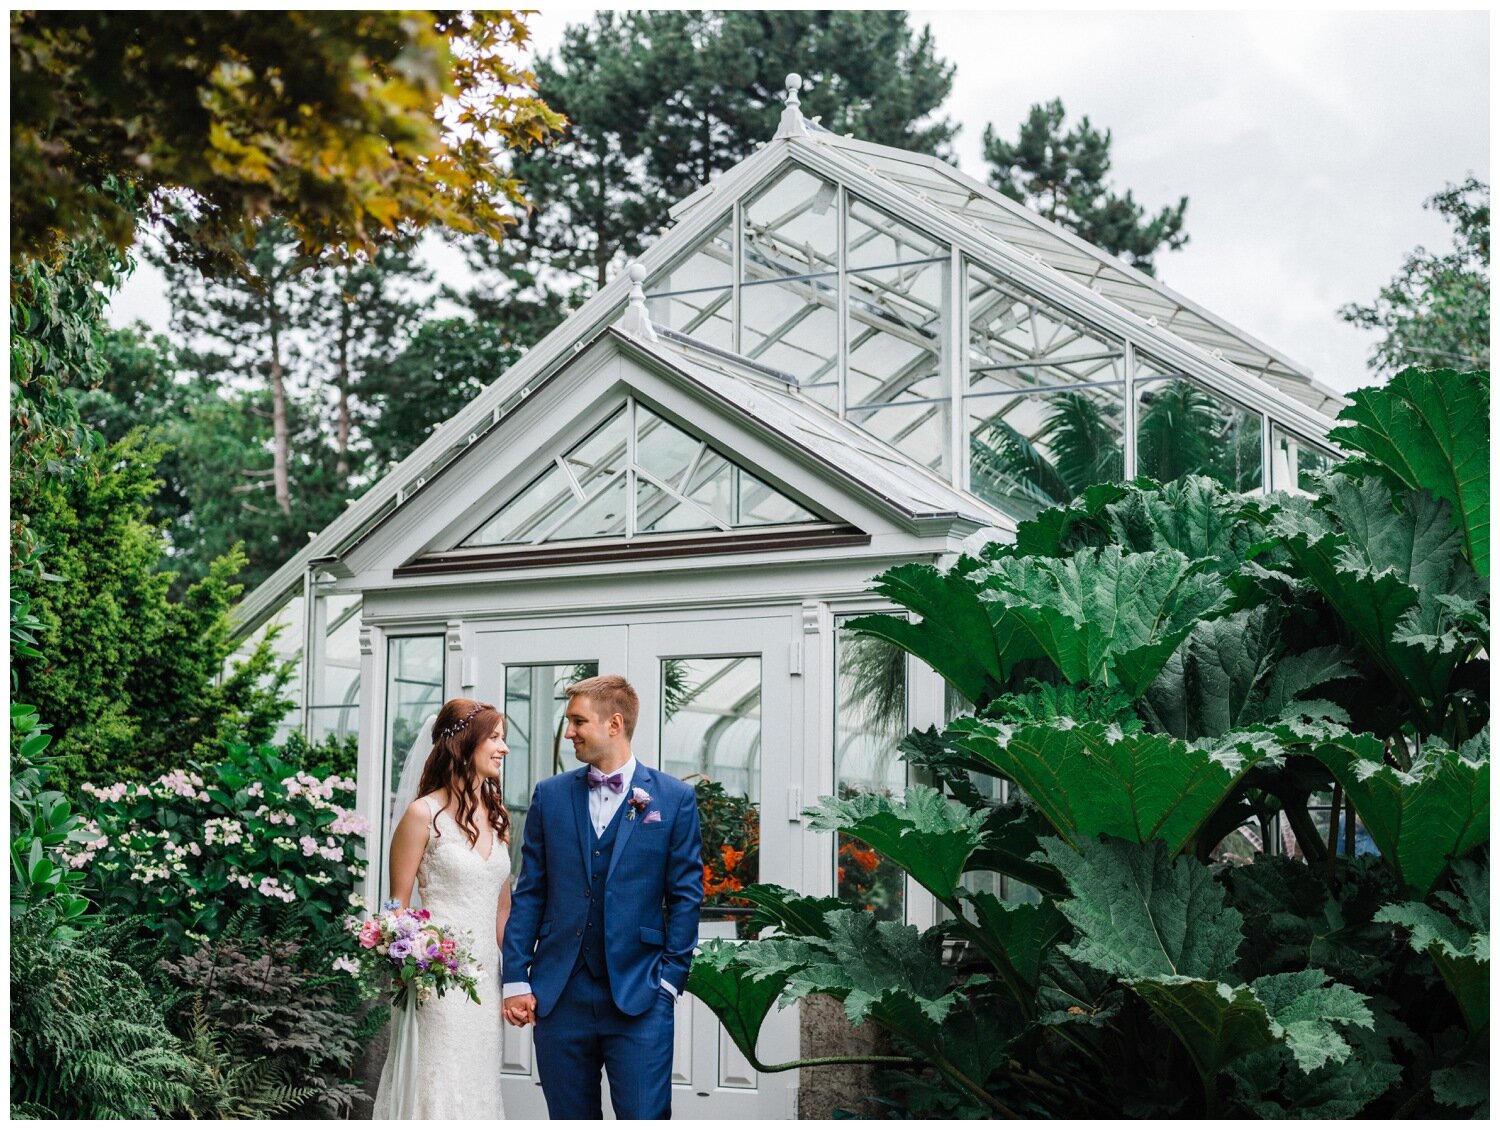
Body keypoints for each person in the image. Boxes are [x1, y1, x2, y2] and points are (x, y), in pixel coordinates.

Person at [501, 674, 703, 1120]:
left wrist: (669, 981)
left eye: (577, 721)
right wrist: (516, 977)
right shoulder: (549, 796)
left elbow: (686, 896)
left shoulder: (674, 798)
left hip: (640, 994)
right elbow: (530, 891)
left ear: (614, 724)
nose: (568, 731)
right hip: (559, 993)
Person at [372, 698, 513, 1119]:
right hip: (438, 983)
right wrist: (418, 959)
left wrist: (523, 977)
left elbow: (502, 912)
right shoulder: (422, 814)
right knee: (437, 1082)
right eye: (494, 737)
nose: (503, 748)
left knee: (478, 1083)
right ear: (463, 744)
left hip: (485, 984)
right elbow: (396, 910)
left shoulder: (499, 817)